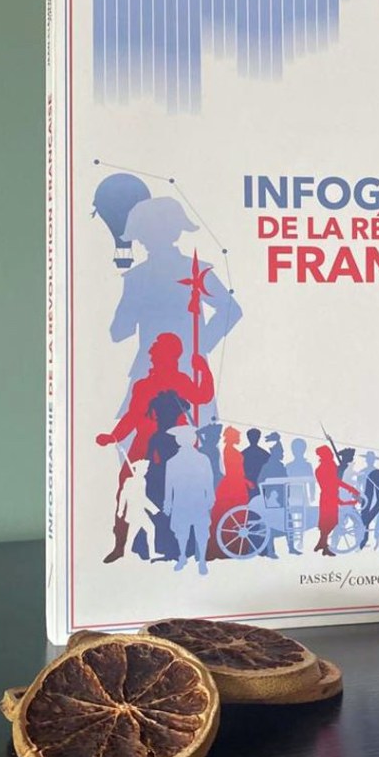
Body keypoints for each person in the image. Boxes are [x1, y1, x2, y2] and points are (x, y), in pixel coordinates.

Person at [108, 195, 242, 420]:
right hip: (159, 369)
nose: (142, 240)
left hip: (175, 370)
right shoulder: (141, 277)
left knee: (191, 429)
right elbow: (119, 333)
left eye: (143, 233)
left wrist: (202, 344)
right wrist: (200, 346)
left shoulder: (144, 277)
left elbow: (120, 331)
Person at [96, 332, 214, 563]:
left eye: (156, 349)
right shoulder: (143, 385)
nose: (150, 353)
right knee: (127, 485)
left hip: (173, 444)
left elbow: (203, 396)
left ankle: (188, 543)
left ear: (169, 355)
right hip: (142, 445)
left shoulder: (181, 380)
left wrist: (204, 371)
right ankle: (120, 545)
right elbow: (132, 417)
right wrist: (114, 436)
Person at [163, 425, 214, 575]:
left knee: (195, 532)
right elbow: (169, 485)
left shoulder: (201, 459)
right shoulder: (173, 462)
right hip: (185, 501)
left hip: (195, 501)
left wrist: (210, 496)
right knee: (186, 532)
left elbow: (208, 481)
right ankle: (186, 557)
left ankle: (199, 560)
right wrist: (168, 503)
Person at [209, 426, 254, 559]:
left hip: (236, 482)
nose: (239, 438)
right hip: (234, 484)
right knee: (235, 515)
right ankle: (230, 548)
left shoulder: (230, 450)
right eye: (237, 436)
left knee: (236, 515)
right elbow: (233, 471)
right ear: (232, 437)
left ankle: (233, 547)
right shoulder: (230, 450)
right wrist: (245, 481)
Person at [314, 446, 360, 557]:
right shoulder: (326, 467)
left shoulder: (331, 465)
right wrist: (351, 489)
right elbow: (335, 481)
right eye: (329, 453)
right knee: (330, 522)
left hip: (330, 496)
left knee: (331, 522)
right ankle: (323, 544)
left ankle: (322, 544)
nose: (331, 454)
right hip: (330, 496)